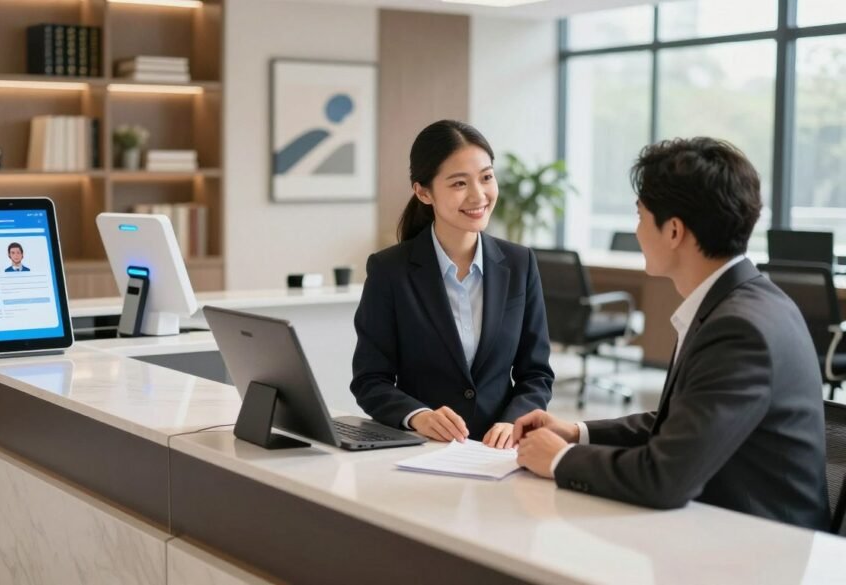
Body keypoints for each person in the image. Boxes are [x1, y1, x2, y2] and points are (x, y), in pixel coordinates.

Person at [509, 137, 830, 531]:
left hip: (759, 546)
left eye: (641, 216)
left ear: (674, 230)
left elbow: (664, 479)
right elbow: (681, 423)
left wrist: (559, 459)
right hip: (723, 526)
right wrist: (577, 432)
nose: (637, 230)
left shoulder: (738, 328)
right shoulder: (737, 299)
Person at [350, 120, 554, 447]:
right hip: (420, 452)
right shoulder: (389, 270)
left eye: (486, 177)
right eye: (459, 183)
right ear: (423, 192)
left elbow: (537, 375)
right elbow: (370, 380)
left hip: (496, 453)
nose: (478, 195)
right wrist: (418, 415)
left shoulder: (520, 264)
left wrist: (512, 420)